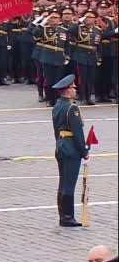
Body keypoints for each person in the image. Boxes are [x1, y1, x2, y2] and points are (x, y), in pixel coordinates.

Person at [51, 74, 88, 227]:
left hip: (61, 145)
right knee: (69, 183)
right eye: (73, 87)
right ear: (66, 90)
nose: (75, 89)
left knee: (63, 182)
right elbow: (78, 133)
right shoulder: (72, 108)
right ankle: (67, 216)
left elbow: (55, 130)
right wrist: (84, 150)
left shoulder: (57, 106)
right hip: (71, 148)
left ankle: (63, 214)